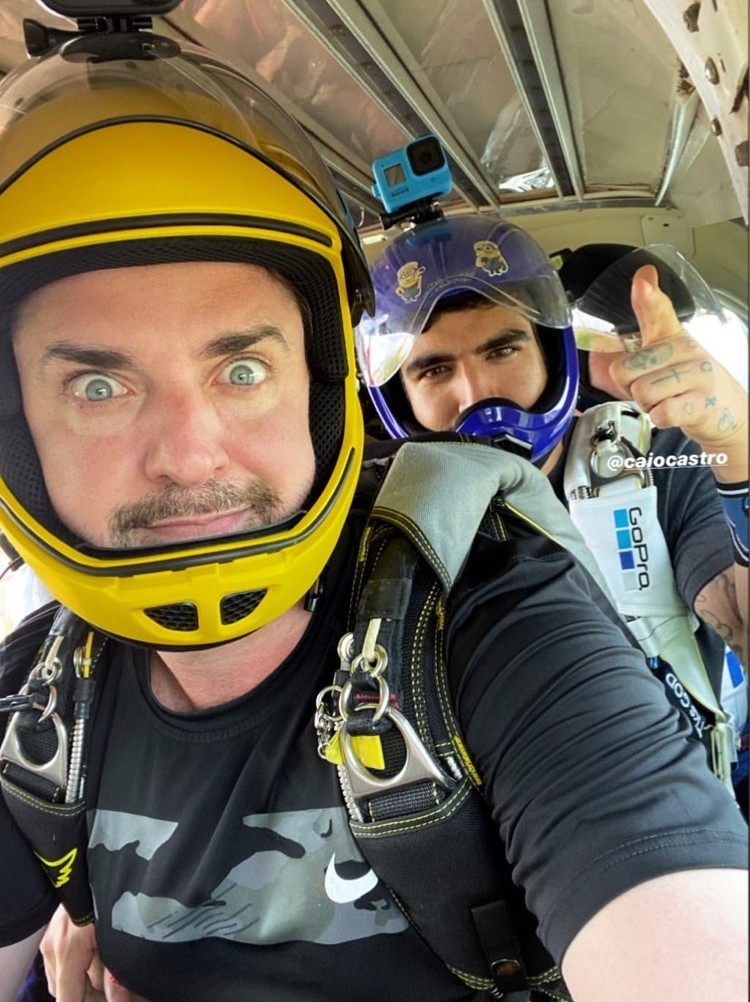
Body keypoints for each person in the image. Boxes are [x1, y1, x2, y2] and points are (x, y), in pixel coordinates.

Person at [0, 21, 746, 1002]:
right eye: (97, 388)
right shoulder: (42, 696)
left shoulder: (509, 606)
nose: (189, 454)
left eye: (242, 367)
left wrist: (738, 467)